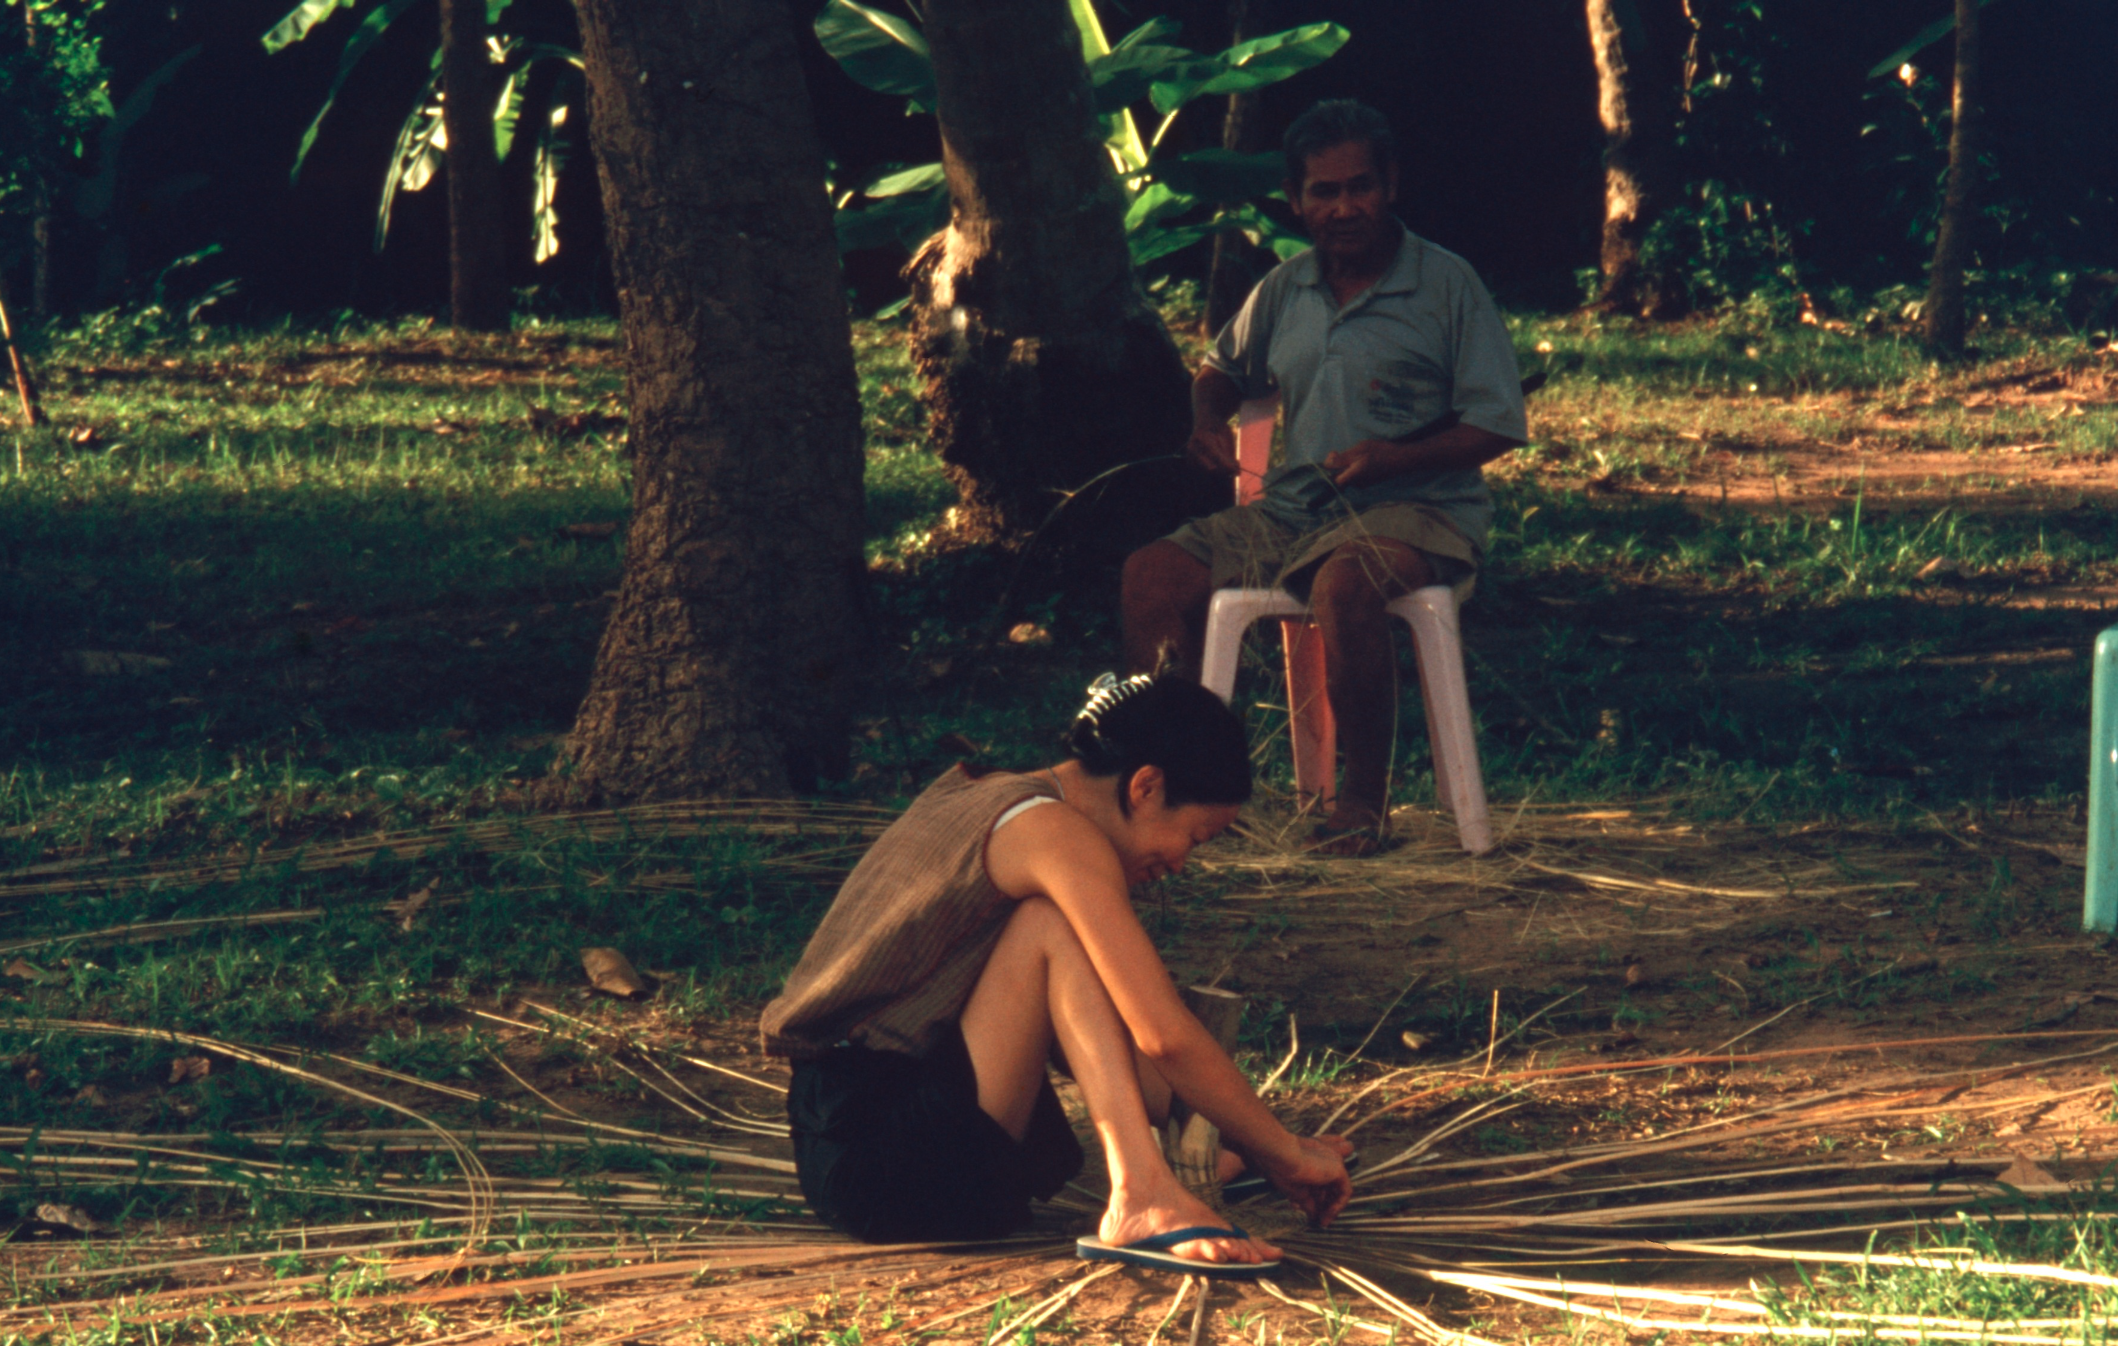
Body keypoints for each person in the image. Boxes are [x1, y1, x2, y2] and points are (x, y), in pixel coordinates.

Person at [759, 670, 1352, 1276]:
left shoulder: (992, 795)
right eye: (1193, 836)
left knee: (1053, 931)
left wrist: (1257, 1143)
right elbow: (1160, 1034)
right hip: (887, 1160)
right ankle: (1141, 1195)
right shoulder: (1058, 837)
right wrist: (1286, 1155)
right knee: (1053, 926)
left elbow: (1079, 1022)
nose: (1180, 863)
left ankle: (1191, 1160)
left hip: (841, 1144)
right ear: (1146, 786)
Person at [1121, 100, 1528, 856]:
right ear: (1296, 198)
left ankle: (1359, 808)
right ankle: (1180, 793)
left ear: (1391, 184)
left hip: (1420, 509)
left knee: (1346, 584)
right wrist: (1208, 423)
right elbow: (1219, 370)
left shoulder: (1446, 285)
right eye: (1323, 192)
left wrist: (1393, 459)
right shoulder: (1286, 287)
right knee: (1150, 577)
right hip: (1295, 513)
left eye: (1359, 187)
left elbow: (1497, 425)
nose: (1343, 207)